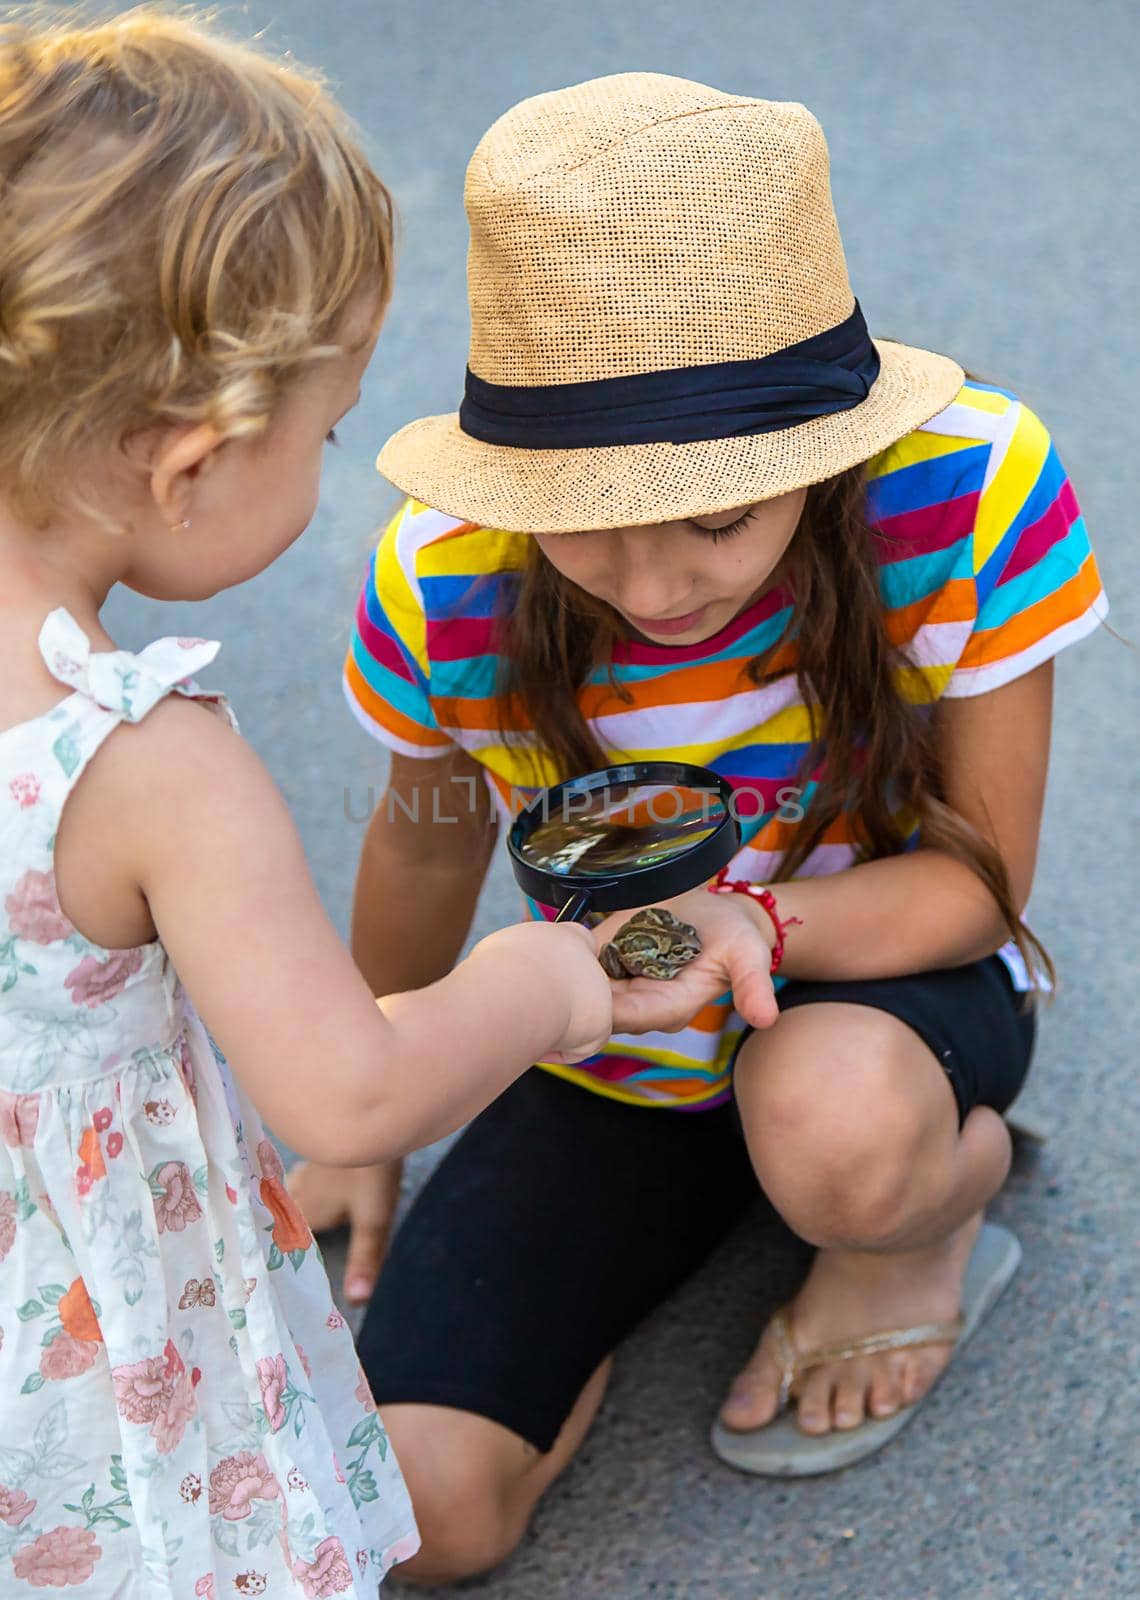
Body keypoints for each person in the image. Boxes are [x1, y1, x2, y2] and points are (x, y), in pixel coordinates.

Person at [289, 72, 1110, 1585]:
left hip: (881, 983)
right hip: (621, 1029)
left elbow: (982, 881)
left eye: (716, 517)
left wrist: (765, 926)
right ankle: (722, 1202)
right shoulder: (441, 571)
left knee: (830, 1120)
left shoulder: (967, 483)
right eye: (588, 517)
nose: (655, 588)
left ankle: (923, 1213)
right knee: (418, 1514)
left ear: (818, 452)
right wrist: (372, 1102)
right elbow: (419, 838)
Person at [0, 16, 624, 1597]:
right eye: (328, 429)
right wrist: (539, 979)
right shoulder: (145, 766)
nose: (334, 461)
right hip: (84, 1337)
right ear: (193, 460)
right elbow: (346, 1094)